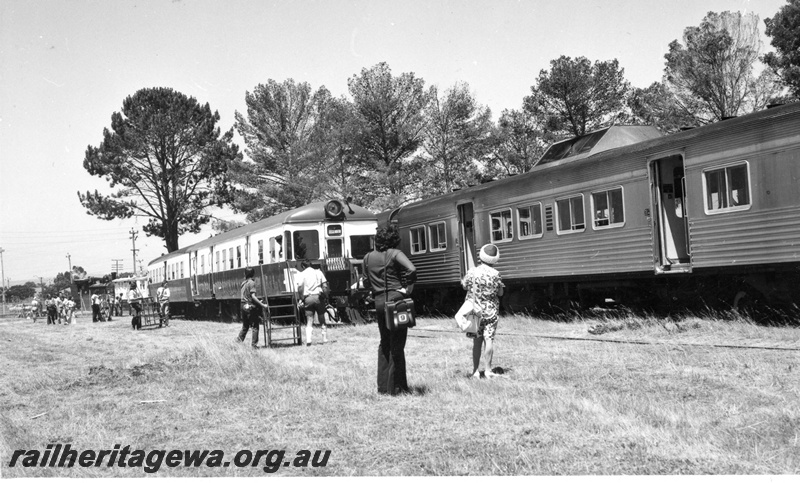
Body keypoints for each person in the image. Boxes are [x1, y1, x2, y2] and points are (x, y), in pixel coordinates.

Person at [363, 225, 417, 396]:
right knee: (398, 344)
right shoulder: (395, 253)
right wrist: (407, 289)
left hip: (379, 302)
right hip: (396, 302)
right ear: (394, 239)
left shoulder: (367, 257)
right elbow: (412, 269)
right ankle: (397, 387)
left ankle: (383, 387)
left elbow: (365, 282)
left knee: (384, 342)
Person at [462, 244, 504, 379]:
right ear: (494, 260)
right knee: (489, 339)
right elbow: (501, 293)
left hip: (475, 311)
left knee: (477, 341)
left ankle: (475, 371)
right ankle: (487, 370)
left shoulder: (472, 271)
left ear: (481, 257)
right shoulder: (496, 274)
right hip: (491, 311)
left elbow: (464, 286)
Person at [296, 259, 329, 346]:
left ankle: (308, 340)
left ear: (303, 266)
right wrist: (325, 296)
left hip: (308, 298)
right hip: (318, 297)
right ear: (311, 264)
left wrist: (301, 298)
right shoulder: (318, 272)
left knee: (309, 319)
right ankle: (324, 339)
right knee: (322, 318)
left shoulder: (302, 274)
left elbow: (299, 288)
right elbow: (325, 286)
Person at [239, 267, 268, 348]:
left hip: (242, 305)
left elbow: (245, 296)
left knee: (245, 326)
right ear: (253, 274)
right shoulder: (252, 283)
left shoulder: (243, 283)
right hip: (249, 306)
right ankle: (254, 345)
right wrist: (262, 305)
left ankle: (238, 342)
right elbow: (253, 296)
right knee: (255, 326)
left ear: (245, 274)